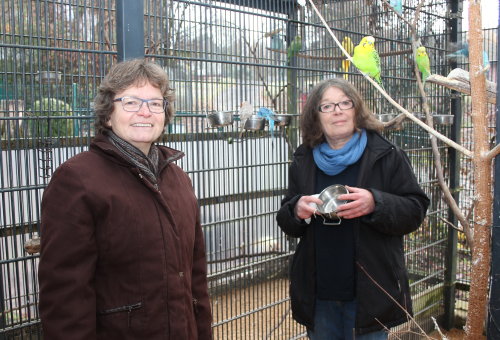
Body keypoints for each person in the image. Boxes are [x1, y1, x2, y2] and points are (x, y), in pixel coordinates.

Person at [38, 58, 212, 340]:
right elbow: (64, 298)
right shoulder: (76, 181)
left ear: (165, 114)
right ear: (108, 114)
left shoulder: (179, 180)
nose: (145, 112)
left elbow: (196, 278)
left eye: (155, 103)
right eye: (130, 102)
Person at [276, 78, 429, 340]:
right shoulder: (304, 159)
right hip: (320, 293)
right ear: (316, 116)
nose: (337, 110)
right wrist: (296, 210)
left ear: (356, 110)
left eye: (345, 103)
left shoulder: (386, 155)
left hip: (369, 294)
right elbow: (286, 220)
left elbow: (415, 210)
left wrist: (375, 202)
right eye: (327, 106)